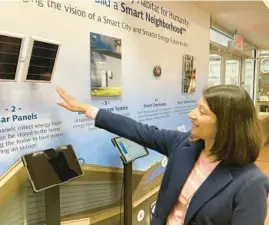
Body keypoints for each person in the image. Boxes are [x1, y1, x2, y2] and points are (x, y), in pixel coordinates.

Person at [56, 85, 269, 225]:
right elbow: (137, 130)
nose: (191, 115)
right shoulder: (183, 145)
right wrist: (88, 109)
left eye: (202, 112)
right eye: (197, 107)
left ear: (226, 125)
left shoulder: (251, 184)